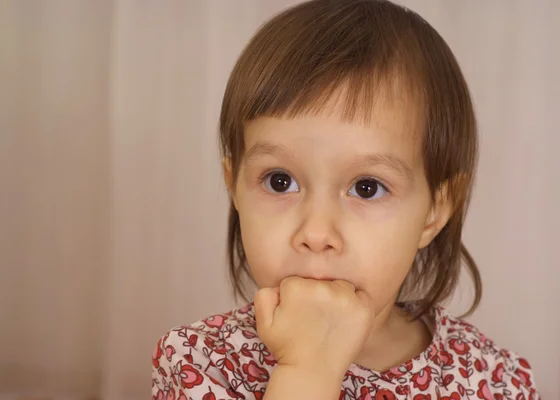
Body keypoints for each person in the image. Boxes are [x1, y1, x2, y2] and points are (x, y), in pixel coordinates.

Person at [153, 0, 540, 399]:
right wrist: (308, 369)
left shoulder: (492, 379)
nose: (317, 233)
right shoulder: (200, 363)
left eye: (367, 187)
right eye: (280, 181)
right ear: (234, 185)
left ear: (434, 211)